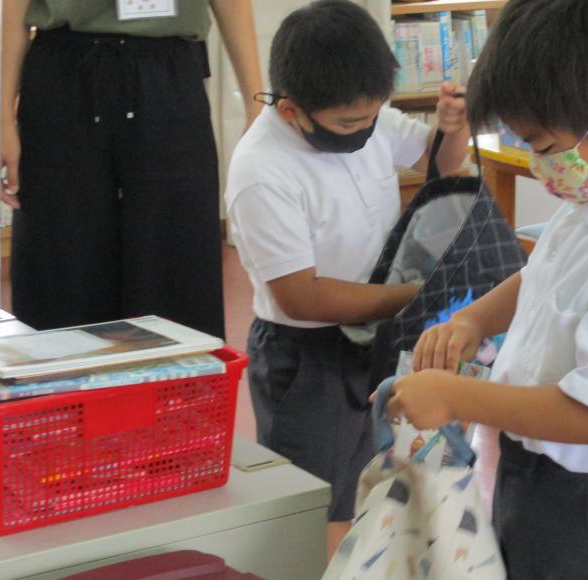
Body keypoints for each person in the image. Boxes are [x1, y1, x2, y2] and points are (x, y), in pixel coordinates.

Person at [386, 1, 588, 578]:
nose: (539, 167)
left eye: (543, 146)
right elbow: (543, 274)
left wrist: (457, 398)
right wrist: (473, 320)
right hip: (538, 480)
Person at [225, 0, 470, 558]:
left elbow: (440, 161)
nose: (363, 131)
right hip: (305, 356)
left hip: (374, 339)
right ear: (291, 110)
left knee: (369, 483)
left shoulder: (366, 115)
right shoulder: (262, 170)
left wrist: (452, 128)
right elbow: (302, 296)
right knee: (309, 504)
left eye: (372, 117)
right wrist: (417, 296)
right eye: (347, 125)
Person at [0, 0, 263, 336]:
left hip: (168, 71)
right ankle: (63, 370)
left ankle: (178, 371)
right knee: (62, 263)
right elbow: (14, 7)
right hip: (64, 72)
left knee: (177, 261)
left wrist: (256, 105)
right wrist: (2, 115)